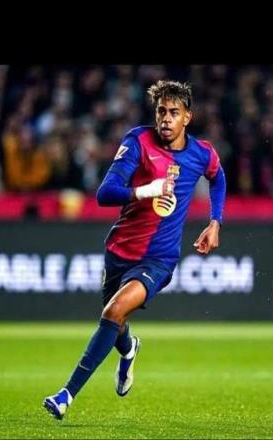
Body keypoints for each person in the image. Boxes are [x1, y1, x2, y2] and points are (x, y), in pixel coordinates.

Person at [43, 80, 226, 420]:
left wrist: (215, 222)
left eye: (174, 113)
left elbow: (218, 177)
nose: (166, 119)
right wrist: (145, 190)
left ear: (188, 117)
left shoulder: (201, 154)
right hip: (119, 251)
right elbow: (105, 193)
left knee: (113, 312)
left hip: (159, 259)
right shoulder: (138, 141)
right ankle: (129, 351)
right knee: (116, 322)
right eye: (161, 112)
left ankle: (66, 395)